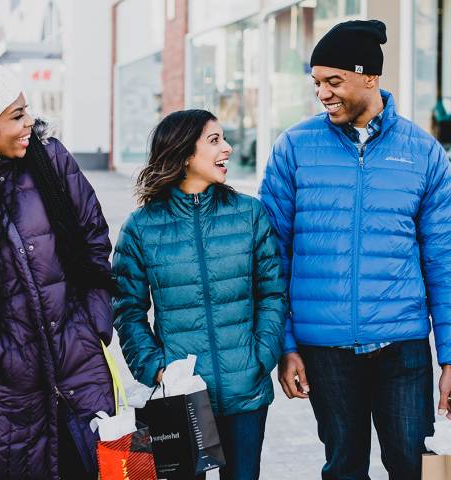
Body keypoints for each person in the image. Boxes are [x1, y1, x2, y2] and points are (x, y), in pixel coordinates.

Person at [260, 20, 451, 480]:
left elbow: (442, 261)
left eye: (333, 81)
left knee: (412, 466)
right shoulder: (294, 148)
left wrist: (449, 356)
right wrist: (286, 346)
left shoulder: (424, 154)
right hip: (324, 349)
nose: (322, 93)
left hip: (401, 346)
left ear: (370, 78)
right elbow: (271, 258)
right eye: (316, 83)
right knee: (343, 466)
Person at [112, 109, 286, 480]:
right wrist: (156, 368)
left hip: (245, 392)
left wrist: (261, 356)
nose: (227, 147)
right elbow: (127, 309)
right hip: (180, 396)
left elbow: (272, 293)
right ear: (184, 153)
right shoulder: (141, 228)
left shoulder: (249, 214)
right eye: (215, 140)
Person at [0, 57, 115, 479]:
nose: (30, 122)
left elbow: (93, 240)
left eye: (27, 109)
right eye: (16, 115)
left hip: (79, 367)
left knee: (109, 468)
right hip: (1, 395)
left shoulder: (51, 160)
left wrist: (94, 322)